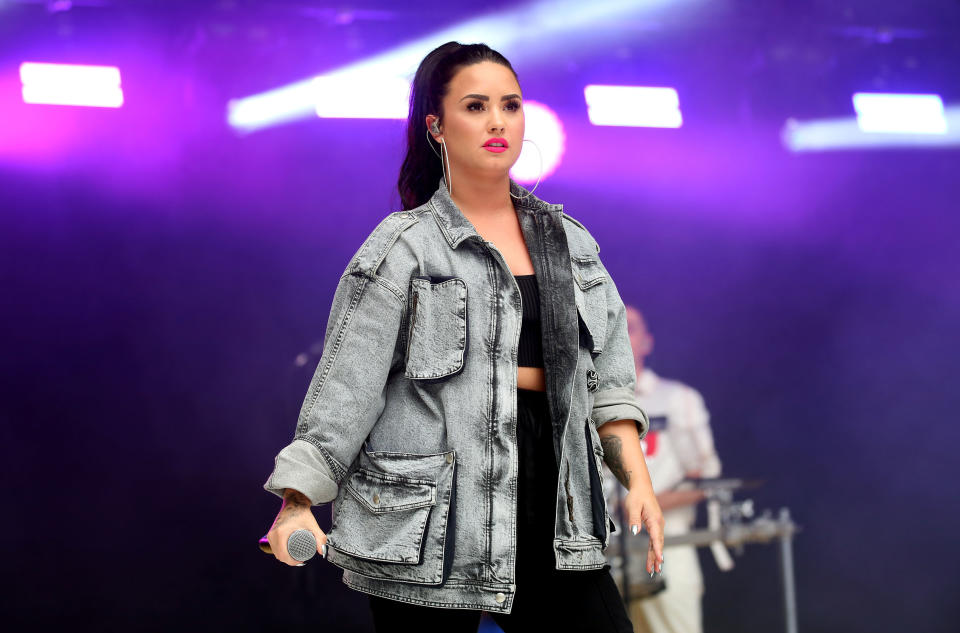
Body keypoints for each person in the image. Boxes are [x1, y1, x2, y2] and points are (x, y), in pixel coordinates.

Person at [261, 41, 665, 632]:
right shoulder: (405, 249)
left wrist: (640, 484)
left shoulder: (571, 246)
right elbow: (346, 389)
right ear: (438, 126)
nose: (498, 121)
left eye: (511, 105)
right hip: (431, 524)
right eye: (475, 106)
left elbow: (610, 387)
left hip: (556, 508)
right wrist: (296, 501)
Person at [604, 306, 722, 633]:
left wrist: (642, 505)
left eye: (629, 327)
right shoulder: (581, 400)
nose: (620, 334)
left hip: (668, 546)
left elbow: (707, 480)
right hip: (600, 554)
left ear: (647, 342)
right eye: (611, 326)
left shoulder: (677, 399)